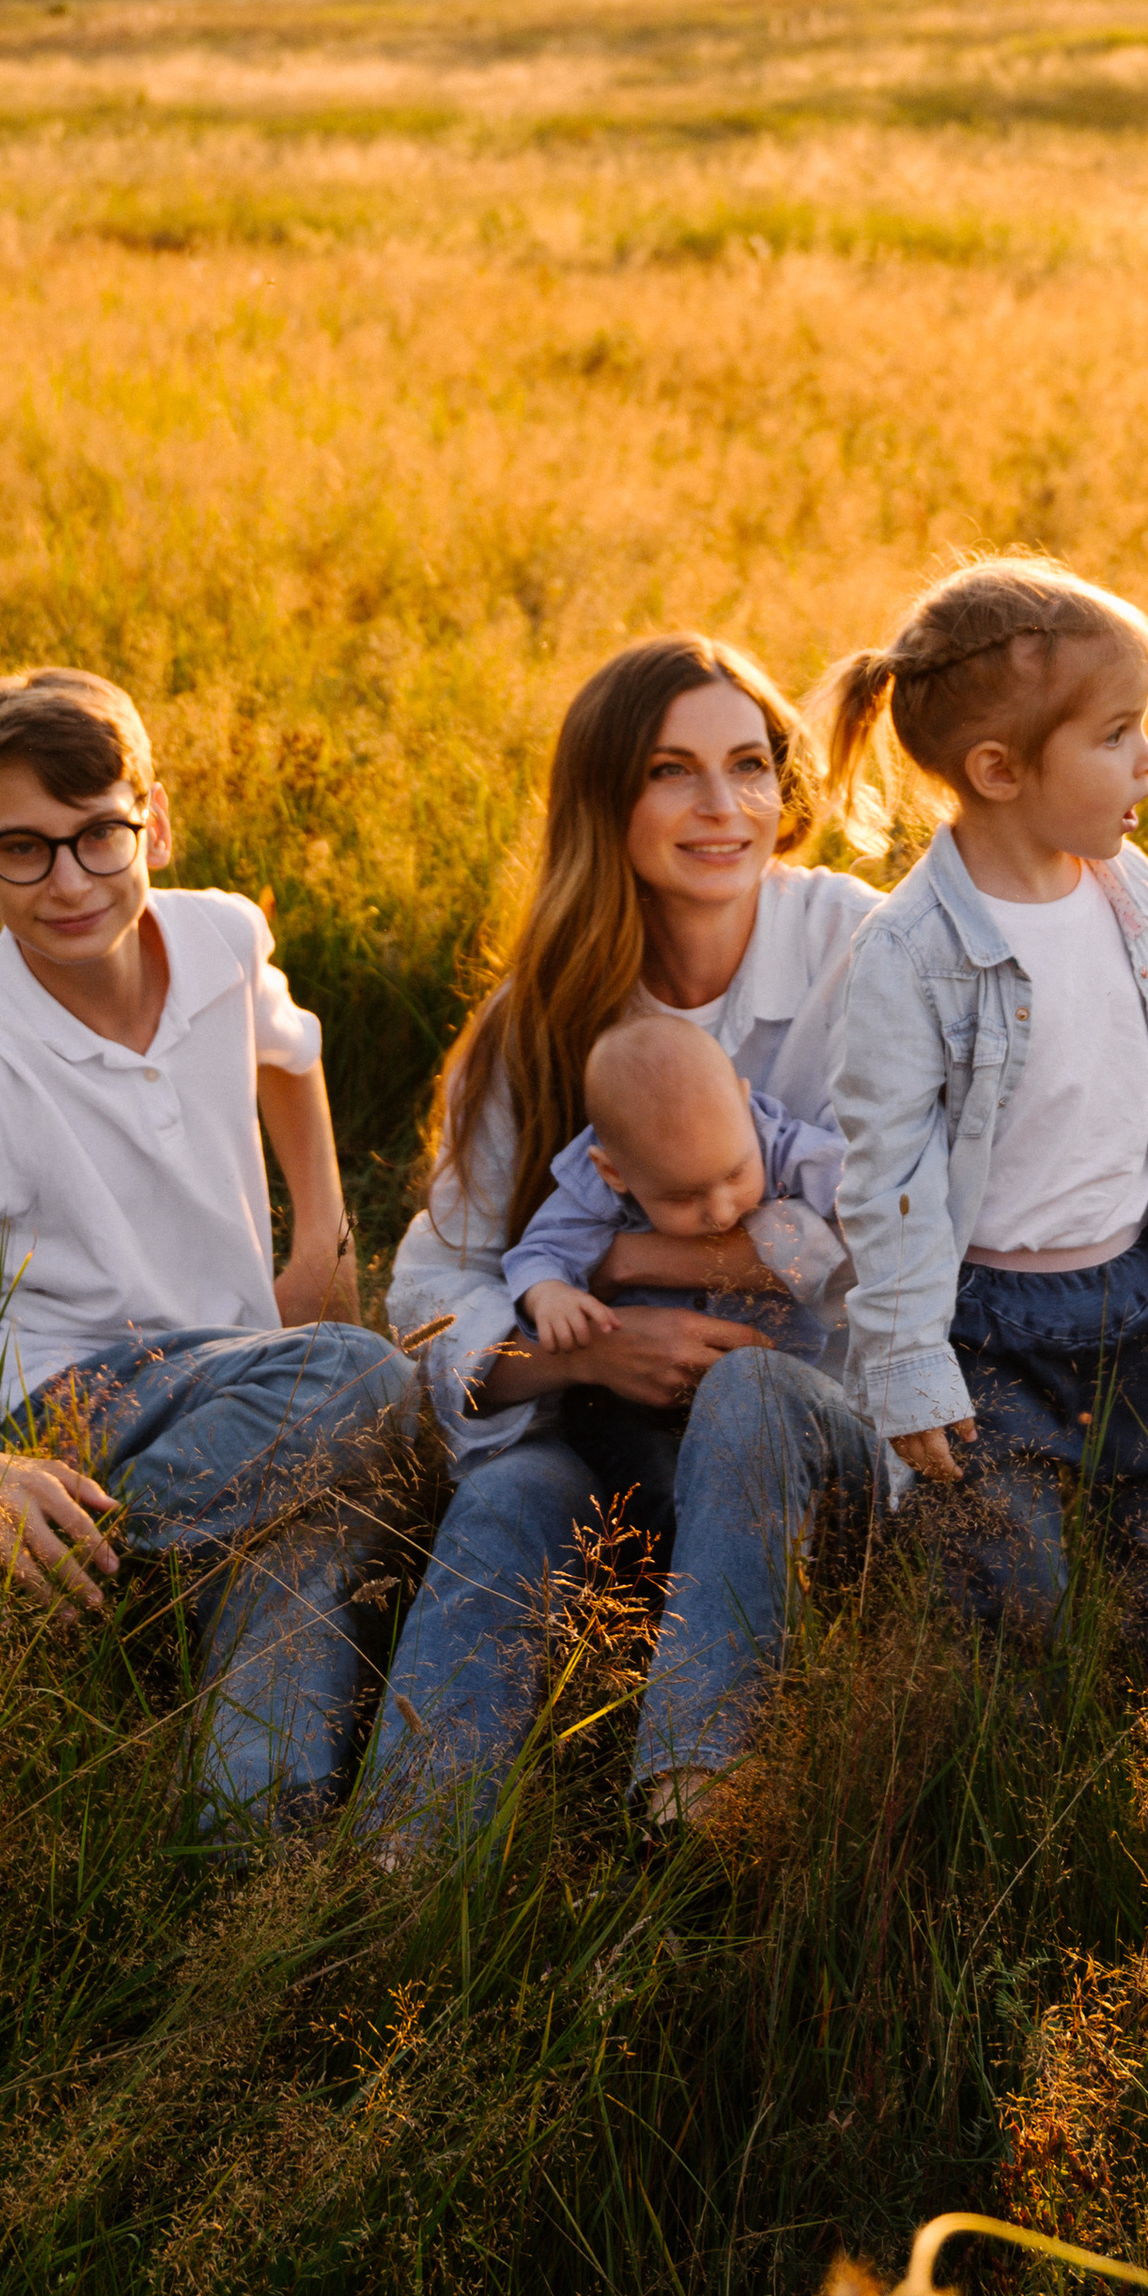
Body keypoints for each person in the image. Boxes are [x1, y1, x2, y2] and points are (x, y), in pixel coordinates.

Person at [0, 666, 423, 1820]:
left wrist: (321, 1238)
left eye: (97, 836)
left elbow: (289, 1051)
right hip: (68, 1420)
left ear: (154, 825)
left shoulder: (221, 936)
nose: (69, 880)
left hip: (238, 1390)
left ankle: (225, 1806)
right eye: (24, 849)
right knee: (368, 1383)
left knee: (269, 1767)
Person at [377, 633, 882, 1829]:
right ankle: (404, 1857)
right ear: (606, 801)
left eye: (748, 764)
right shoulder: (539, 1016)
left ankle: (702, 1799)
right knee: (511, 1496)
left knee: (750, 1394)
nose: (723, 805)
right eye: (670, 771)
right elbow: (433, 1287)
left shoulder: (861, 950)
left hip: (825, 1442)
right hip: (607, 1438)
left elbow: (918, 1228)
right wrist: (588, 1353)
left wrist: (635, 1258)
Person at [821, 558, 1148, 1690]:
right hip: (985, 1324)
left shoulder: (1129, 892)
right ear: (999, 770)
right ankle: (1006, 1762)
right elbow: (885, 1181)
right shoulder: (909, 954)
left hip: (1139, 1296)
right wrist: (908, 1366)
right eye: (1117, 733)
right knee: (1006, 1584)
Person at [503, 1014, 849, 1364]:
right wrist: (548, 1294)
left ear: (744, 1105)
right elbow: (539, 1253)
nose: (721, 1212)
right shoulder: (593, 1190)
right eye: (683, 1197)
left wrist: (848, 1202)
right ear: (613, 1172)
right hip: (648, 1380)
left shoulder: (766, 1139)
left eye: (734, 1175)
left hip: (788, 1367)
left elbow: (852, 1184)